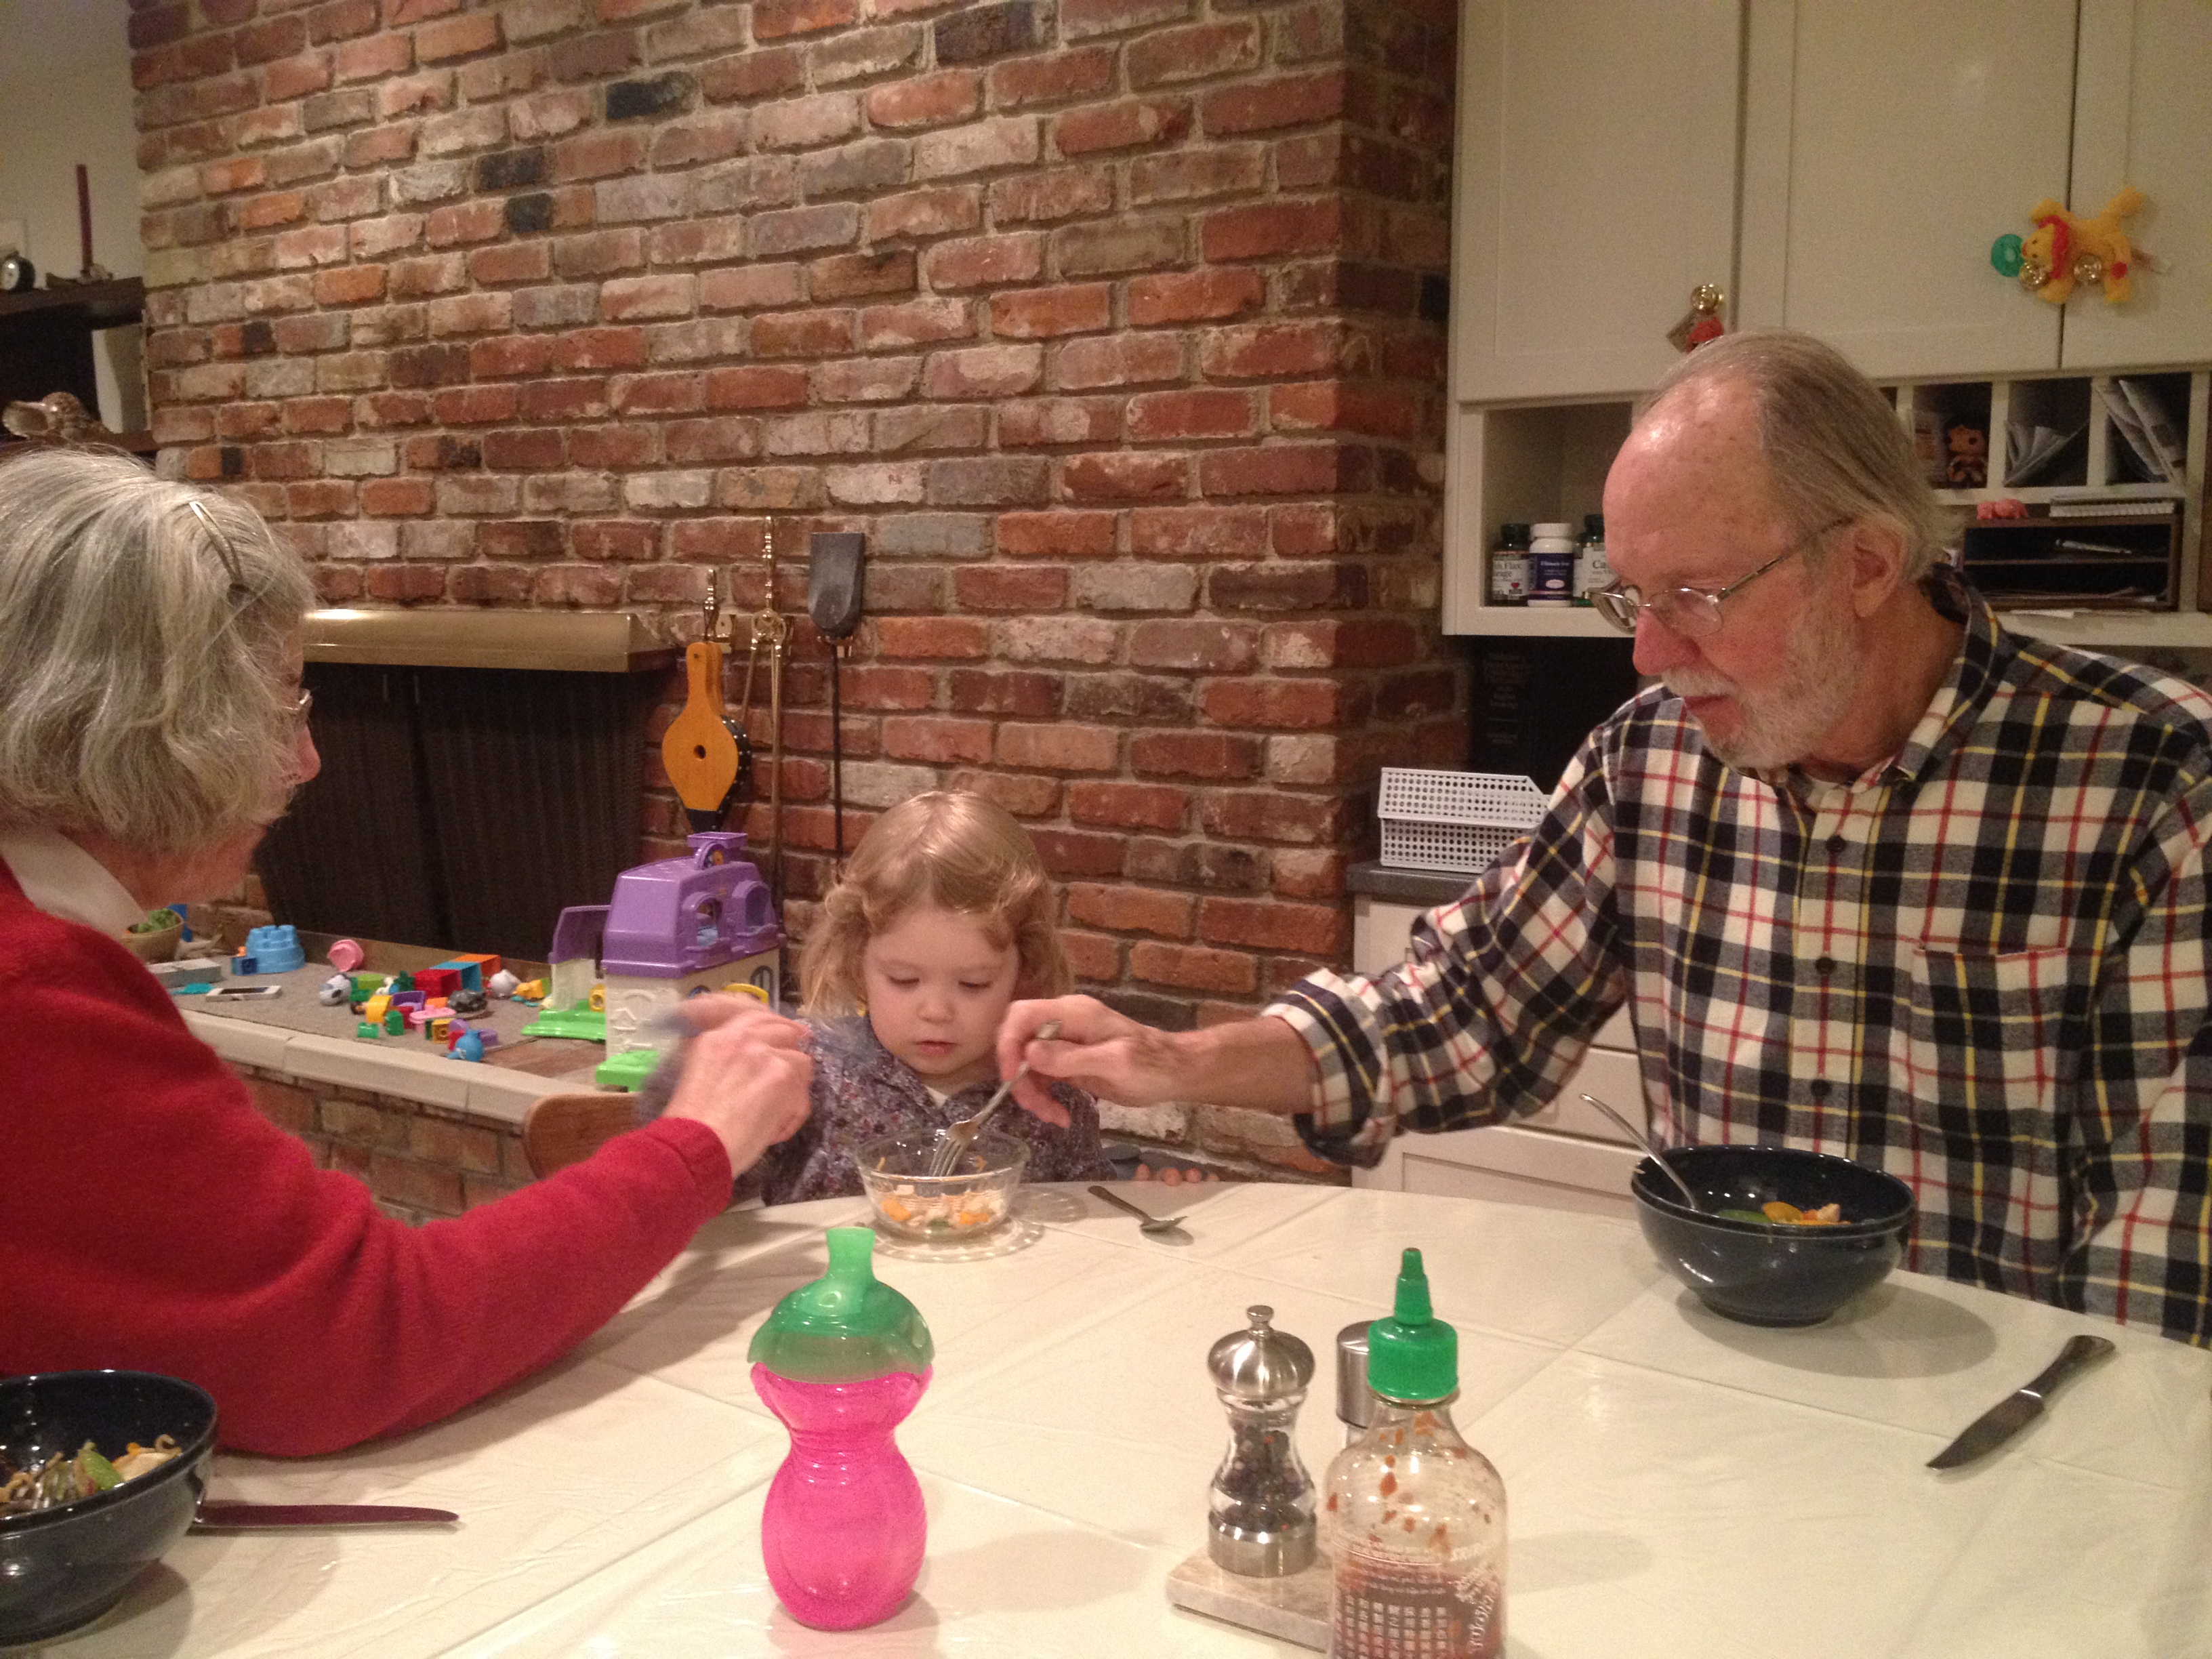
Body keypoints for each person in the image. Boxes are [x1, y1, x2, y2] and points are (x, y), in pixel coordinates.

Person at [1000, 329, 2212, 1345]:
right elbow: (1462, 1010)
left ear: (1865, 563)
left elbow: (2164, 1254)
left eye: (1694, 596)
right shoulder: (1651, 759)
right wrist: (1180, 1061)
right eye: (1630, 596)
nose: (1645, 653)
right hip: (1719, 1381)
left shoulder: (2157, 782)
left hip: (2001, 1418)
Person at [0, 447, 815, 1455]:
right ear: (149, 722)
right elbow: (363, 1338)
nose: (308, 760)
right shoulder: (32, 992)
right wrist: (697, 1141)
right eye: (281, 707)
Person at [727, 791, 1111, 1201]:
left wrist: (1142, 1196)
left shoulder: (1053, 1097)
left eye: (974, 984)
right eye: (904, 980)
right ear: (856, 961)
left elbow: (1096, 1214)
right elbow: (712, 1191)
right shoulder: (808, 1075)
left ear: (1025, 972)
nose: (936, 1012)